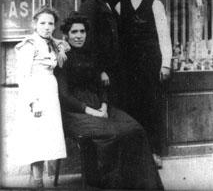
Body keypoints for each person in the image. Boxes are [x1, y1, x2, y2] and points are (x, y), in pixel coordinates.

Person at [55, 12, 164, 190]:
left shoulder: (91, 54)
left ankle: (142, 186)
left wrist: (104, 106)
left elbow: (101, 86)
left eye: (82, 31)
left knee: (135, 130)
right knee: (112, 134)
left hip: (100, 105)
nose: (79, 36)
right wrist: (91, 111)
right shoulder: (62, 58)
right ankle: (107, 184)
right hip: (75, 112)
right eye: (74, 32)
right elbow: (65, 96)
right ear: (66, 35)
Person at [116, 0, 173, 169]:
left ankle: (155, 152)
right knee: (131, 109)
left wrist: (166, 64)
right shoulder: (120, 5)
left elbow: (164, 36)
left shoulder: (155, 4)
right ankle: (134, 155)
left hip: (151, 64)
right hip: (128, 67)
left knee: (152, 108)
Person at [13, 5, 69, 188]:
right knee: (36, 140)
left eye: (51, 23)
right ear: (34, 24)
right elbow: (23, 76)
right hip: (36, 94)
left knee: (47, 139)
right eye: (42, 23)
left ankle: (42, 180)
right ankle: (37, 182)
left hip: (50, 93)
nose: (47, 27)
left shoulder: (50, 43)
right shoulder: (29, 44)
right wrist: (33, 102)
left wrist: (58, 43)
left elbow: (65, 46)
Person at [79, 0, 122, 107]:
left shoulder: (107, 4)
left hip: (111, 71)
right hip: (100, 73)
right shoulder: (90, 6)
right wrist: (100, 71)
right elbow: (87, 41)